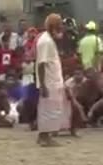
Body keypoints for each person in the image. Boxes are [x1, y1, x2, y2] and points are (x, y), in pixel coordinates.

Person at [36, 13, 65, 147]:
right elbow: (41, 64)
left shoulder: (48, 39)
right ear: (53, 26)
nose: (62, 27)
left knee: (51, 110)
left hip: (52, 81)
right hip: (48, 82)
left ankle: (45, 136)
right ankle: (44, 137)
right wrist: (43, 85)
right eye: (60, 24)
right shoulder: (46, 41)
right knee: (47, 110)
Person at [62, 67, 87, 136]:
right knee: (74, 108)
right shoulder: (68, 83)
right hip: (66, 100)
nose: (77, 76)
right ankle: (73, 129)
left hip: (81, 99)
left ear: (83, 75)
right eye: (75, 74)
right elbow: (71, 97)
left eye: (79, 74)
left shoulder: (86, 81)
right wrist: (80, 109)